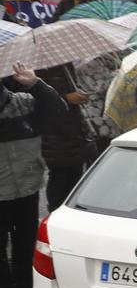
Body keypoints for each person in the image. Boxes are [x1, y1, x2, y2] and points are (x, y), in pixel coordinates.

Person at [0, 63, 60, 288]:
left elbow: (57, 111)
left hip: (27, 184)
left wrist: (36, 84)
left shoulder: (23, 102)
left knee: (26, 241)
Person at [36, 64, 96, 210]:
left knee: (75, 172)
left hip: (74, 127)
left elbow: (69, 88)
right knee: (60, 174)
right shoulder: (36, 68)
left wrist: (78, 95)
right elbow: (34, 100)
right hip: (53, 131)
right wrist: (66, 98)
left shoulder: (64, 64)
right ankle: (56, 212)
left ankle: (70, 210)